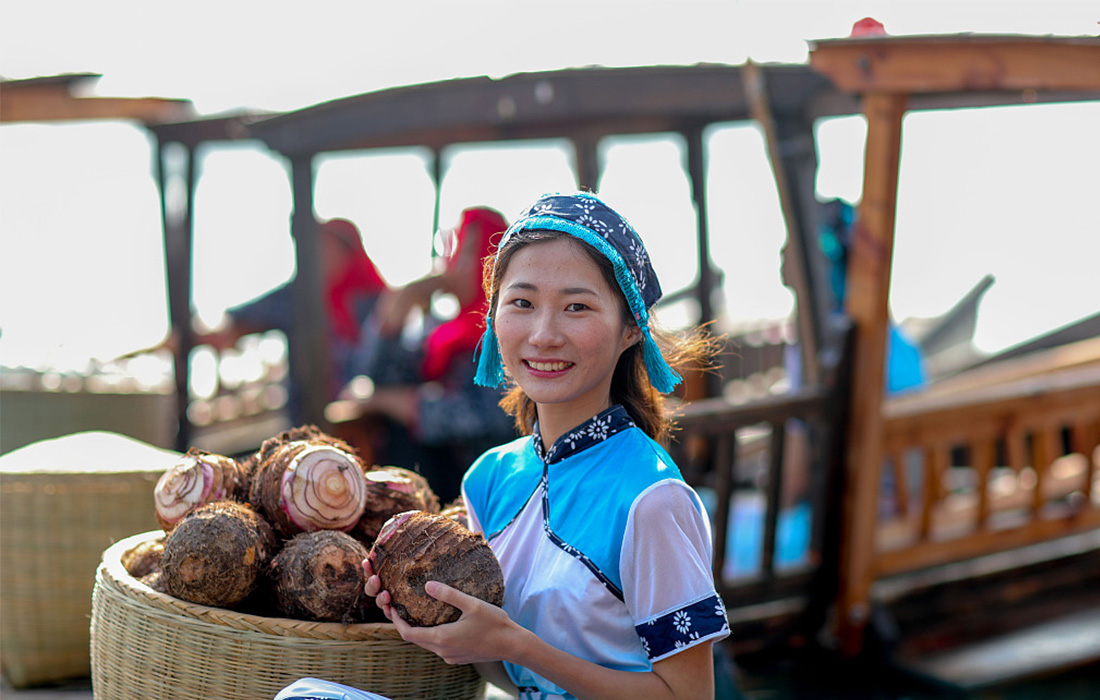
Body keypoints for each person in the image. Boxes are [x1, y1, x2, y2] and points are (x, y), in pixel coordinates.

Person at [277, 192, 731, 700]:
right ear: (493, 317)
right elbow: (510, 680)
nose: (543, 334)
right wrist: (433, 620)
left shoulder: (652, 499)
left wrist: (517, 645)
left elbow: (691, 696)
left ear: (631, 329)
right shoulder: (490, 479)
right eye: (522, 303)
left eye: (576, 307)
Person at [327, 207, 517, 504]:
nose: (454, 265)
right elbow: (372, 374)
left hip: (492, 489)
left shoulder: (511, 330)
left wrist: (394, 402)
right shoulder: (444, 334)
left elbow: (487, 416)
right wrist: (402, 303)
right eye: (453, 252)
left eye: (468, 253)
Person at [200, 217, 389, 423]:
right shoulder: (297, 297)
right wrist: (194, 338)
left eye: (331, 247)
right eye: (317, 248)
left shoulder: (378, 301)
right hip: (310, 422)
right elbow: (232, 326)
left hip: (371, 424)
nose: (323, 256)